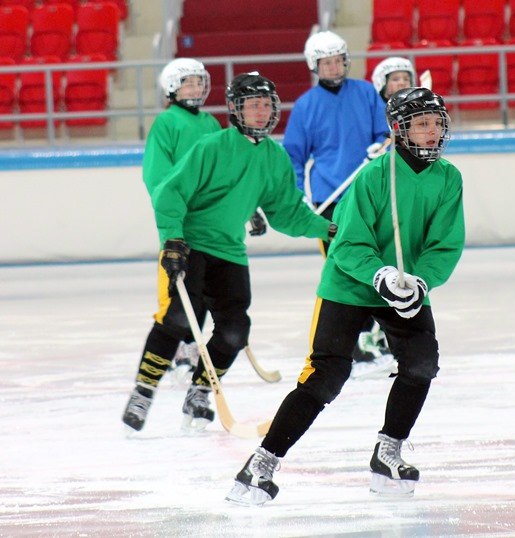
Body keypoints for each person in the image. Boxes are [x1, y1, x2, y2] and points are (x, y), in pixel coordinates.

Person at [226, 87, 465, 506]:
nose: (431, 133)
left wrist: (420, 282)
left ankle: (387, 453)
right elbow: (348, 245)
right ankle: (261, 464)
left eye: (436, 124)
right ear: (399, 129)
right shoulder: (374, 176)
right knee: (326, 376)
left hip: (407, 289)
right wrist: (381, 275)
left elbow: (444, 245)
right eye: (421, 124)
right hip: (349, 286)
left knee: (422, 364)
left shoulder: (449, 178)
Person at [121, 72, 337, 433]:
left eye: (266, 104)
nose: (260, 111)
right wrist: (173, 238)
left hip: (229, 251)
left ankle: (200, 391)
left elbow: (286, 211)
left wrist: (328, 228)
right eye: (252, 105)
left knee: (236, 331)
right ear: (236, 110)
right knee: (178, 319)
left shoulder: (274, 157)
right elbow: (169, 193)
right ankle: (143, 391)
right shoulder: (211, 147)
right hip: (192, 244)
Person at [283, 30, 396, 379]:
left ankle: (385, 337)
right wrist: (297, 192)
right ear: (315, 66)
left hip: (368, 196)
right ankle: (350, 342)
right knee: (344, 271)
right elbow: (294, 156)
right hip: (328, 202)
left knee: (380, 265)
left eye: (338, 61)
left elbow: (385, 134)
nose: (333, 67)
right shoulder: (305, 106)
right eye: (326, 62)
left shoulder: (365, 93)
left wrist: (380, 146)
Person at [140, 58, 221, 386]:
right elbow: (157, 176)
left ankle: (190, 346)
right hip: (180, 224)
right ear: (172, 88)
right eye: (189, 82)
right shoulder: (166, 124)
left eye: (199, 81)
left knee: (203, 289)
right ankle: (170, 350)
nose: (197, 87)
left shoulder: (212, 123)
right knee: (174, 291)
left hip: (211, 226)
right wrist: (175, 212)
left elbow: (224, 169)